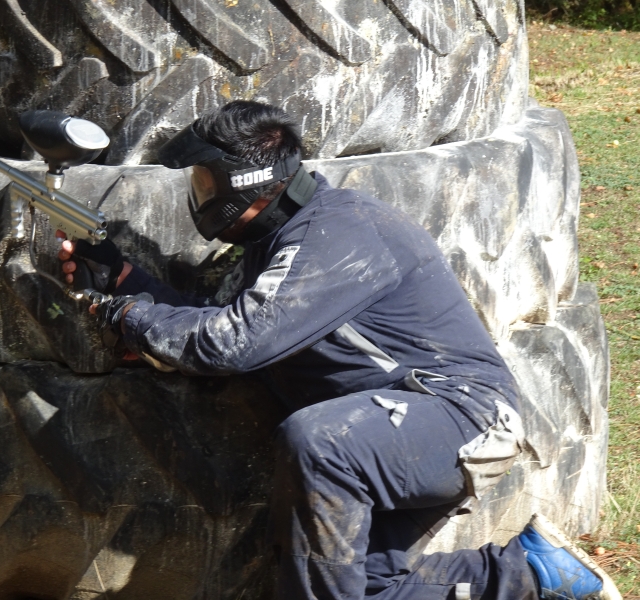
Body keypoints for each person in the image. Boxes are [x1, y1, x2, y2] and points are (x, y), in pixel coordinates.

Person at [58, 101, 621, 600]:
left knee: (320, 443)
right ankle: (537, 576)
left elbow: (233, 344)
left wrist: (125, 316)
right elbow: (212, 322)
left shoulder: (339, 230)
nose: (200, 196)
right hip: (389, 424)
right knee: (367, 586)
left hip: (457, 415)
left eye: (208, 183)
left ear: (249, 183)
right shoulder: (275, 242)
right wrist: (124, 280)